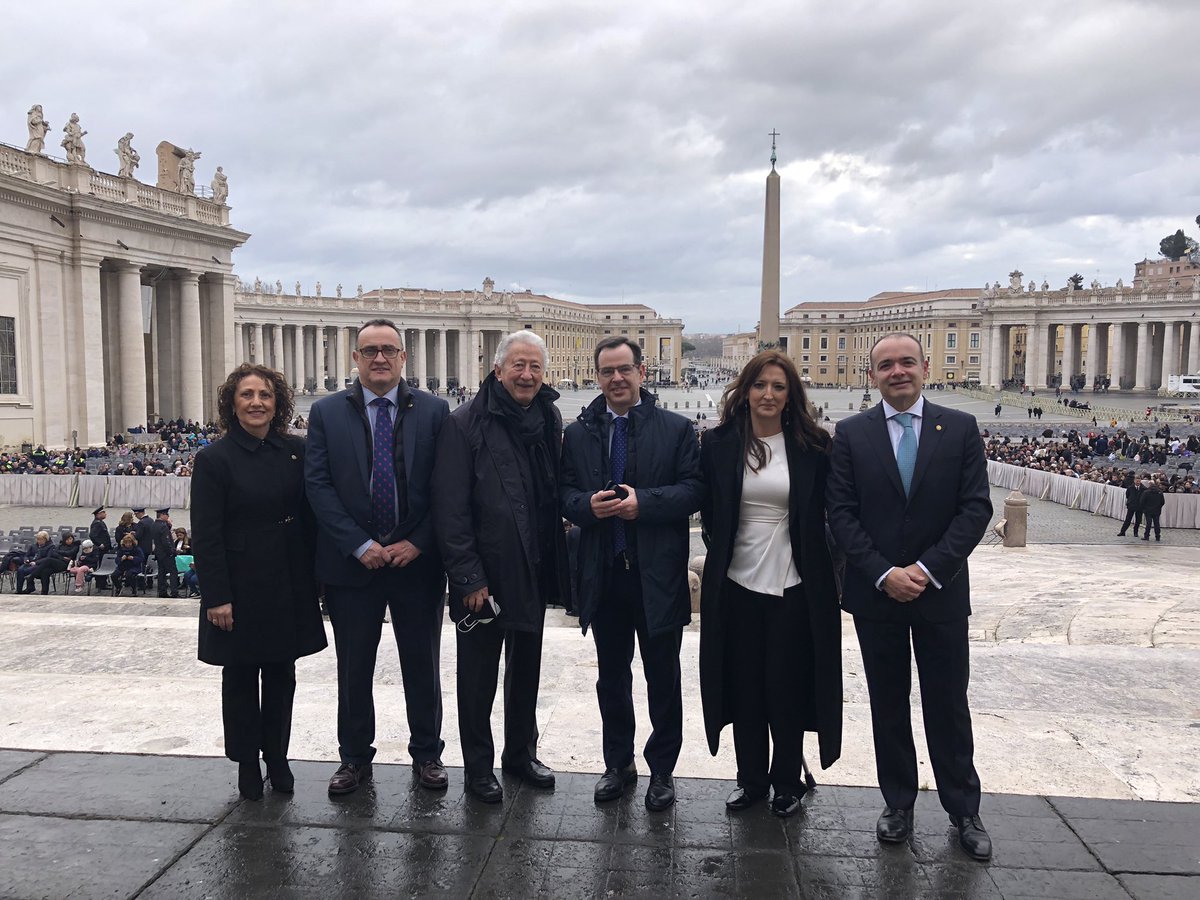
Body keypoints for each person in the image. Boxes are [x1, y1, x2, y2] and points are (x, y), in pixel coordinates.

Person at [826, 333, 994, 861]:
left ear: (924, 367)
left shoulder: (961, 427)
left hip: (939, 593)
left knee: (948, 703)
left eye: (905, 363)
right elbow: (841, 513)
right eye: (884, 365)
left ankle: (964, 807)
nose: (896, 372)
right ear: (871, 374)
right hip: (878, 596)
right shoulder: (850, 434)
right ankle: (897, 801)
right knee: (888, 703)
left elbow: (976, 509)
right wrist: (881, 573)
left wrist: (924, 569)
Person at [306, 319, 450, 796]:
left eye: (389, 350)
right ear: (356, 358)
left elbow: (444, 489)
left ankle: (428, 754)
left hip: (416, 562)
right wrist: (358, 543)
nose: (380, 358)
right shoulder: (326, 413)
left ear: (404, 357)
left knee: (422, 665)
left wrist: (421, 541)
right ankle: (353, 758)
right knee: (353, 668)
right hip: (353, 564)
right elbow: (319, 486)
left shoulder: (434, 410)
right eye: (370, 351)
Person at [560, 336, 703, 811]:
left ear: (642, 372)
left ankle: (662, 769)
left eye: (624, 369)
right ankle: (617, 764)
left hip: (657, 574)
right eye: (607, 372)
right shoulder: (578, 433)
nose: (616, 379)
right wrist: (587, 506)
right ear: (597, 377)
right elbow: (563, 495)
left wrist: (645, 502)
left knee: (663, 677)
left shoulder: (677, 429)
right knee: (611, 677)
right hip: (605, 573)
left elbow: (694, 491)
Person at [698, 350, 843, 818]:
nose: (768, 394)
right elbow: (711, 513)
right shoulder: (718, 443)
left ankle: (786, 780)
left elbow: (833, 514)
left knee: (785, 684)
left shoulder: (813, 445)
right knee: (743, 686)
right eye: (760, 385)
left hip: (794, 582)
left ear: (790, 395)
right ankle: (750, 779)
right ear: (745, 390)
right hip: (735, 581)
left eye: (778, 387)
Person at [432, 330, 568, 804]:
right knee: (477, 677)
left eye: (535, 367)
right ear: (497, 370)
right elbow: (450, 509)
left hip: (530, 567)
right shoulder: (463, 422)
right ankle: (477, 766)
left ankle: (520, 754)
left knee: (526, 670)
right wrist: (468, 577)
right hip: (484, 578)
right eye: (518, 365)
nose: (527, 374)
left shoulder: (548, 416)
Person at [192, 364, 327, 801]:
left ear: (277, 402)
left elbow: (311, 516)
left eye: (264, 395)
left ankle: (279, 755)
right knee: (240, 678)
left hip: (287, 577)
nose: (256, 403)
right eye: (247, 395)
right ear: (232, 404)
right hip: (239, 584)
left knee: (282, 675)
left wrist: (318, 577)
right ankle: (247, 761)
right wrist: (217, 597)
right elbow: (206, 533)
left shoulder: (296, 450)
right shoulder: (214, 459)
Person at [151, 509, 180, 598]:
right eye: (167, 515)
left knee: (161, 573)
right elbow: (166, 541)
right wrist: (172, 551)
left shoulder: (154, 525)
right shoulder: (163, 526)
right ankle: (174, 592)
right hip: (166, 554)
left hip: (159, 553)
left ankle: (162, 591)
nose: (168, 517)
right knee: (173, 572)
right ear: (162, 515)